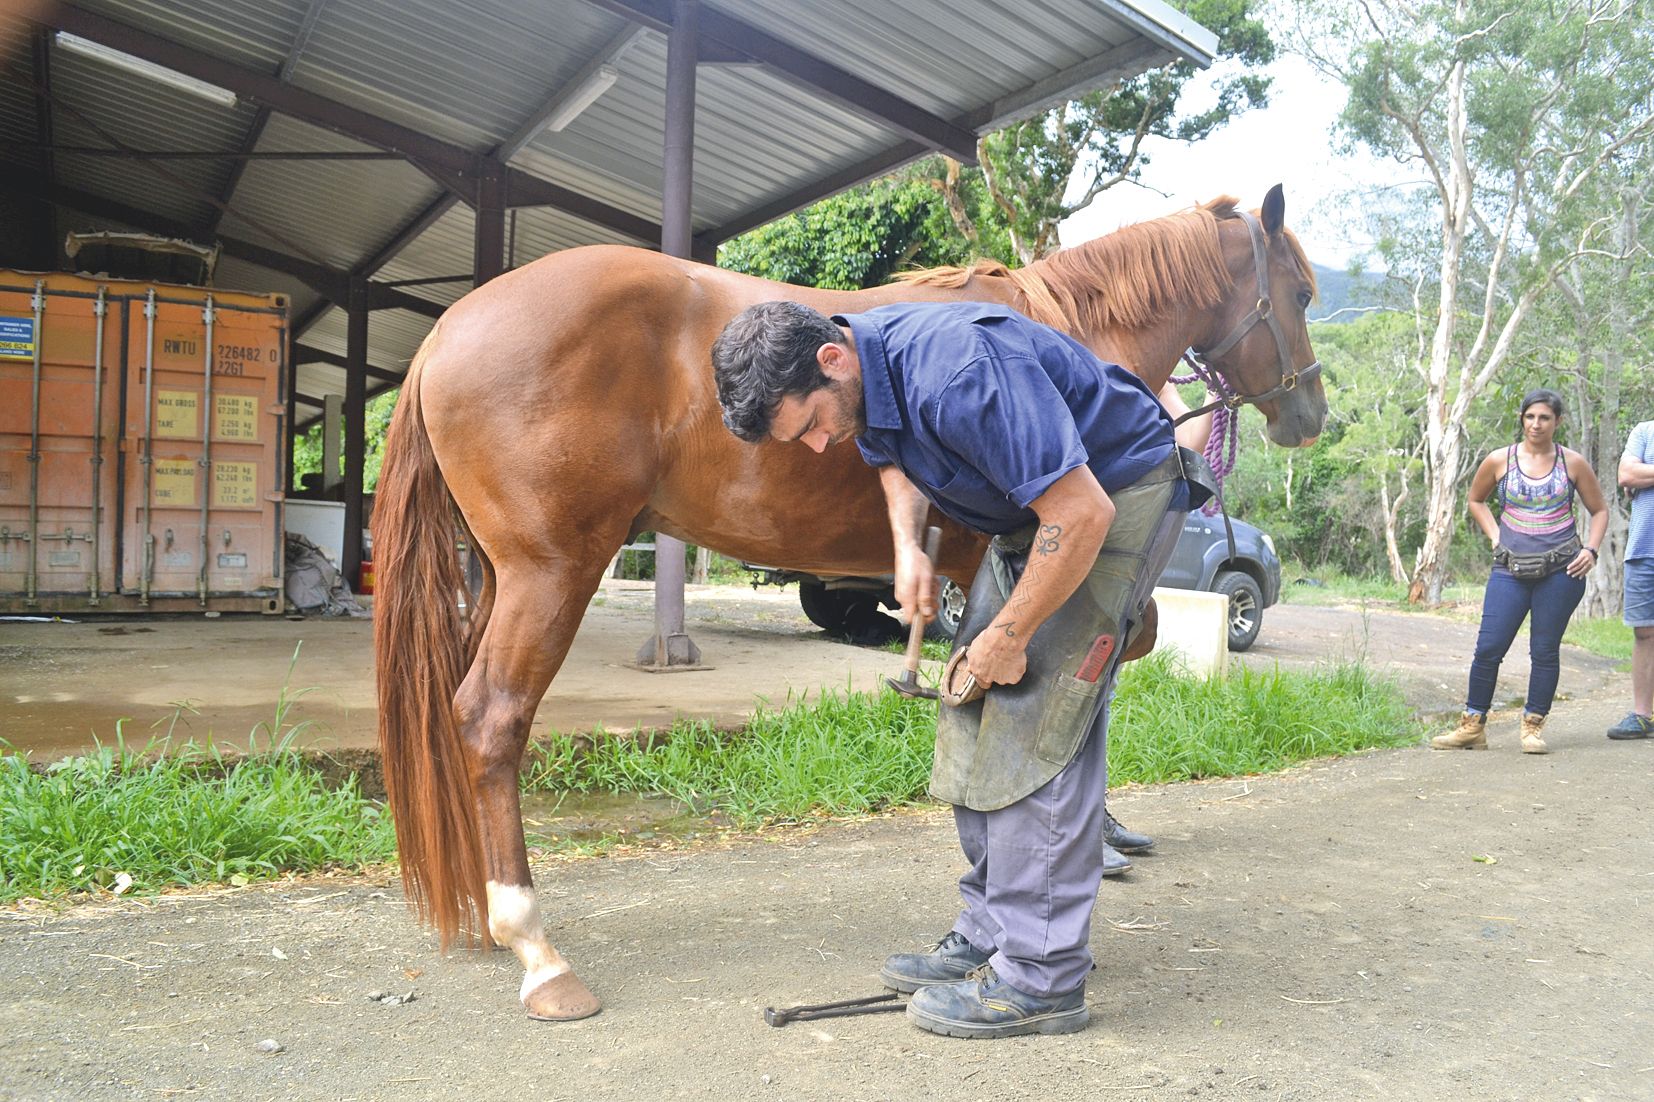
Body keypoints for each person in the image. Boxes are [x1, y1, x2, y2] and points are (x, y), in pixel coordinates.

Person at [712, 299, 1204, 1039]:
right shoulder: (861, 376)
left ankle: (1042, 979)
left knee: (1036, 717)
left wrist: (1011, 633)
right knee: (971, 700)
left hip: (1112, 498)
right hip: (1036, 518)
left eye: (811, 423)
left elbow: (1081, 511)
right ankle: (992, 930)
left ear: (831, 359)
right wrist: (908, 546)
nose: (817, 446)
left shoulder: (959, 373)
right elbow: (889, 456)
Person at [1433, 389, 1608, 753]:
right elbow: (1475, 499)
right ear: (1522, 418)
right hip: (1509, 569)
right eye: (1530, 417)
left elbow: (1600, 510)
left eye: (1545, 417)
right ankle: (1472, 726)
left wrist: (1591, 549)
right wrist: (1496, 535)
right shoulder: (1500, 460)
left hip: (1561, 570)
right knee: (1489, 647)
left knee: (1544, 650)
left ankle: (1532, 727)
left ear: (1557, 421)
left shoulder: (1572, 463)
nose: (1536, 424)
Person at [1610, 419, 1654, 739]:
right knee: (1645, 633)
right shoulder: (1644, 431)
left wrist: (1646, 475)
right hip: (1644, 549)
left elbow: (1638, 475)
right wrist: (1636, 476)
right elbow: (1626, 475)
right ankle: (1642, 715)